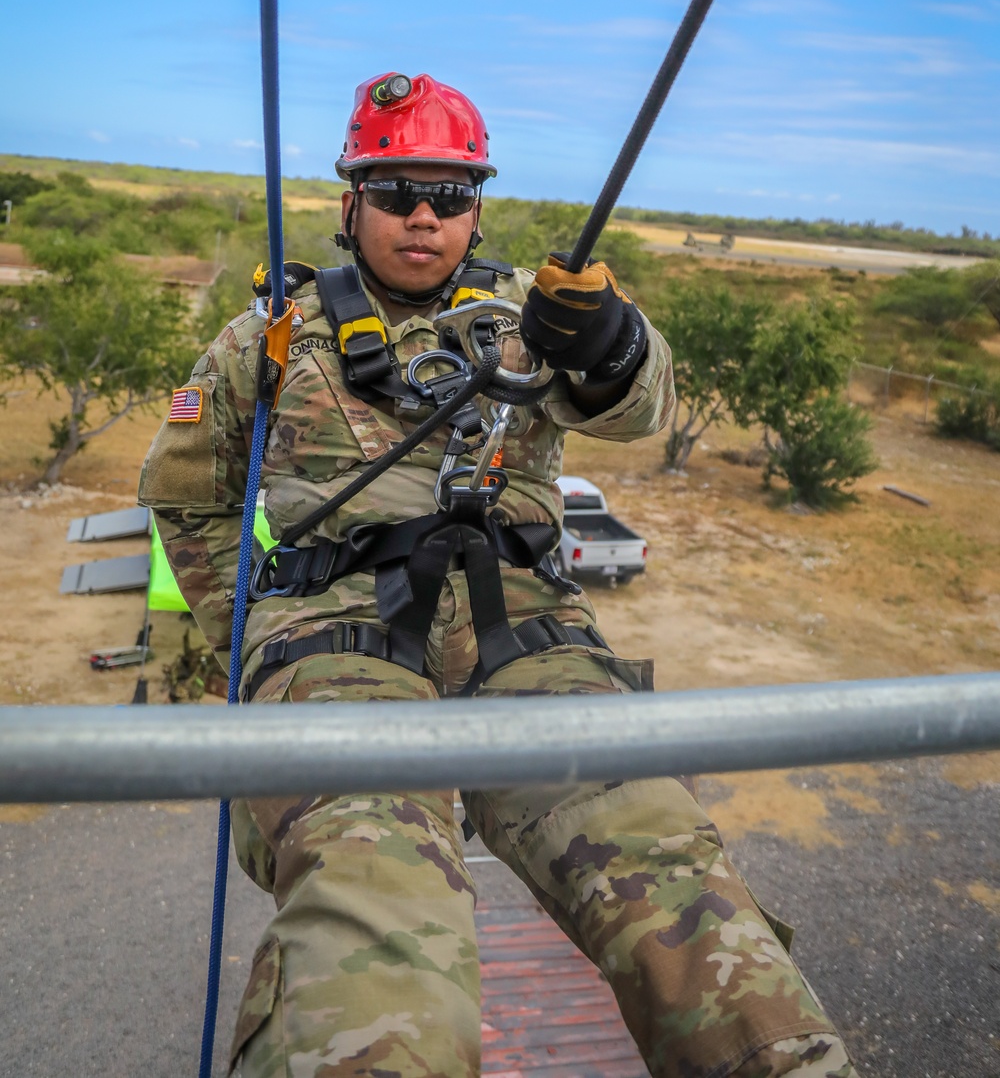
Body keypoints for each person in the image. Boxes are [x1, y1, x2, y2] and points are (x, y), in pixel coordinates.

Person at [139, 72, 855, 1078]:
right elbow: (186, 493)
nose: (422, 215)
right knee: (370, 928)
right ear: (350, 204)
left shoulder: (539, 318)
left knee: (679, 893)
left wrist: (613, 348)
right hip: (337, 644)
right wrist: (246, 638)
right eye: (394, 193)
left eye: (449, 193)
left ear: (477, 207)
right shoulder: (270, 338)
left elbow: (642, 408)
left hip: (526, 635)